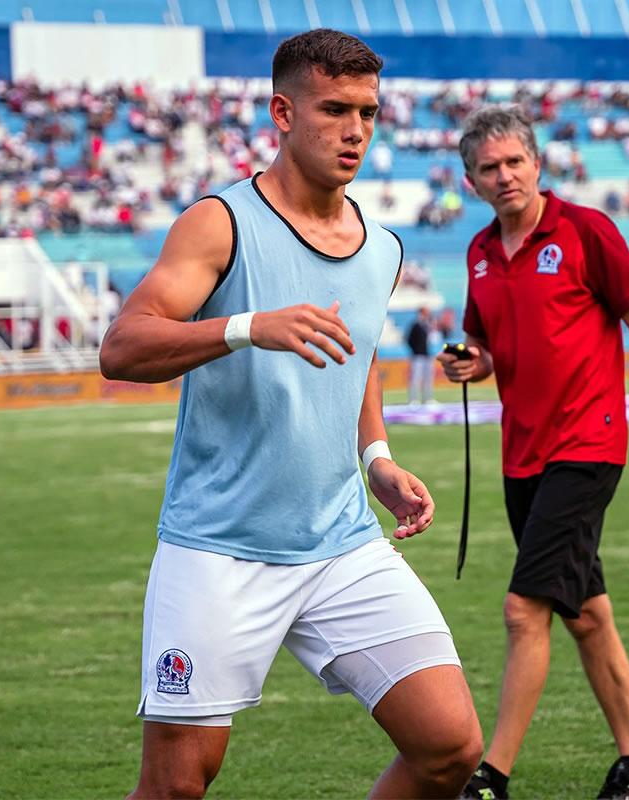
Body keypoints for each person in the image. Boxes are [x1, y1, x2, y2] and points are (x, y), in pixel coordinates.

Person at [99, 30, 481, 800]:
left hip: (341, 543)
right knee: (176, 784)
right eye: (334, 109)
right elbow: (121, 348)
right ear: (282, 113)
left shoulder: (382, 248)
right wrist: (248, 326)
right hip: (220, 548)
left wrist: (376, 460)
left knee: (450, 748)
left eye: (368, 113)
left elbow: (356, 359)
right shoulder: (220, 223)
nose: (355, 130)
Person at [438, 106, 629, 800]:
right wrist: (470, 361)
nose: (505, 176)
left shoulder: (586, 231)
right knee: (587, 614)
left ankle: (491, 779)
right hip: (522, 457)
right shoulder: (479, 253)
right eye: (489, 168)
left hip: (586, 447)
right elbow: (485, 347)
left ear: (538, 164)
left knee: (523, 610)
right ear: (471, 182)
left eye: (515, 161)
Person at [406, 307, 435, 405]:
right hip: (417, 356)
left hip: (426, 355)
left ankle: (428, 398)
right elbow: (409, 340)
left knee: (428, 378)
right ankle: (413, 399)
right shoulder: (415, 325)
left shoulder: (427, 325)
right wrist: (415, 349)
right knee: (415, 378)